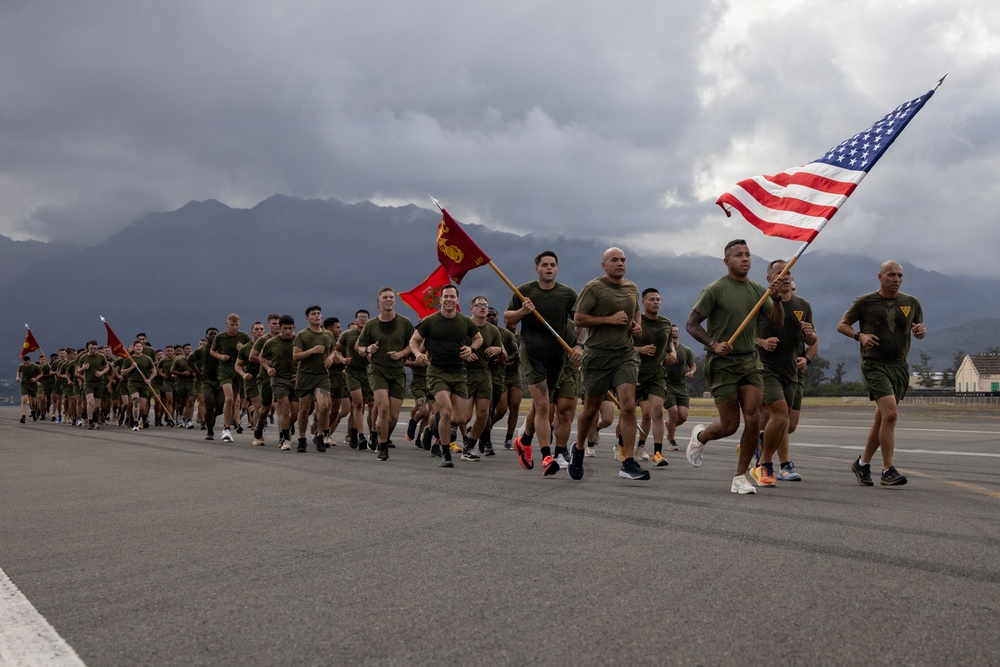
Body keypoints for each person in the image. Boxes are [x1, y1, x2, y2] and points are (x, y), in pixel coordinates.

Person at [684, 239, 784, 494]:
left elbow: (777, 323)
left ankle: (740, 477)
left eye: (748, 254)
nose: (745, 259)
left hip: (750, 362)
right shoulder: (715, 289)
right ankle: (701, 437)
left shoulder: (758, 290)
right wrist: (713, 343)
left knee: (753, 419)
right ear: (727, 261)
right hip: (722, 364)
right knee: (730, 426)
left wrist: (777, 299)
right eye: (739, 255)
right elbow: (692, 324)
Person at [837, 260, 925, 487]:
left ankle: (862, 464)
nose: (896, 279)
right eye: (891, 275)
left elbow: (919, 330)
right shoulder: (865, 302)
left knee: (882, 419)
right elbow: (842, 325)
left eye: (900, 275)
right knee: (891, 415)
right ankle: (888, 471)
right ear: (880, 277)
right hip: (874, 364)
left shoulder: (911, 302)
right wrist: (860, 336)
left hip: (899, 366)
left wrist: (920, 331)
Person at [569, 247, 648, 481]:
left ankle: (628, 460)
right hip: (597, 355)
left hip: (625, 354)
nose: (620, 263)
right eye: (614, 260)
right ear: (604, 265)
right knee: (590, 410)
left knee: (628, 404)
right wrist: (609, 320)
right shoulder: (594, 288)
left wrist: (636, 326)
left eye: (623, 260)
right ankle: (579, 449)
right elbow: (579, 318)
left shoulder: (632, 287)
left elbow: (636, 312)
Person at [504, 251, 578, 472]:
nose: (549, 268)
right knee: (544, 405)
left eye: (553, 265)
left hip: (557, 354)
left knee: (544, 405)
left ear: (557, 268)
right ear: (536, 268)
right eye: (544, 265)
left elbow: (580, 322)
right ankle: (547, 457)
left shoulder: (567, 294)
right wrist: (523, 311)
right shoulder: (525, 291)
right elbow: (508, 318)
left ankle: (525, 441)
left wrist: (579, 345)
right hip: (532, 351)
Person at [753, 259, 817, 485]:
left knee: (785, 423)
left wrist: (809, 336)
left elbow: (812, 339)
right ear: (770, 279)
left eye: (789, 272)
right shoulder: (760, 303)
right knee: (779, 416)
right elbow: (743, 334)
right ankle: (765, 466)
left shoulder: (803, 305)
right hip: (765, 368)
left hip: (791, 371)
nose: (786, 276)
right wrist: (761, 342)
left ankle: (770, 455)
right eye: (780, 273)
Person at [409, 284, 483, 469]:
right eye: (445, 297)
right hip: (437, 371)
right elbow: (413, 340)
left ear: (457, 300)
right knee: (447, 411)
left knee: (461, 418)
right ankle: (446, 454)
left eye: (452, 297)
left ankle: (432, 429)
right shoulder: (429, 321)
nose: (449, 299)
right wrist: (418, 353)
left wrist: (471, 348)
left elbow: (478, 338)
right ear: (440, 300)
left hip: (458, 371)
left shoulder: (465, 321)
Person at [358, 288, 415, 461]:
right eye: (385, 297)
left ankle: (378, 433)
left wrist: (401, 354)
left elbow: (412, 344)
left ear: (394, 302)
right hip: (377, 370)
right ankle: (382, 447)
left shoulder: (405, 323)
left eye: (391, 297)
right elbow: (359, 348)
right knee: (382, 408)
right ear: (379, 304)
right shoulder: (371, 324)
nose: (389, 299)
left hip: (397, 371)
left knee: (393, 416)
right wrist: (368, 349)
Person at [633, 288, 676, 467]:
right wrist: (640, 350)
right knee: (628, 412)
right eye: (651, 299)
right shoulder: (636, 322)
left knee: (656, 412)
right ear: (643, 303)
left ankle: (658, 452)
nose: (656, 302)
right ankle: (621, 446)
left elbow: (670, 344)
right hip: (634, 372)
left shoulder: (665, 322)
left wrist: (672, 352)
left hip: (657, 373)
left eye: (658, 299)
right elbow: (622, 346)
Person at [461, 295, 506, 461]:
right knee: (464, 417)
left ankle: (470, 447)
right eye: (479, 305)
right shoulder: (464, 325)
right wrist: (464, 355)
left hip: (484, 373)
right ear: (472, 309)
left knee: (483, 414)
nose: (483, 308)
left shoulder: (493, 330)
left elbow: (504, 354)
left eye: (485, 305)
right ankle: (438, 425)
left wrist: (497, 350)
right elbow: (452, 348)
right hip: (464, 373)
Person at [293, 305, 336, 454]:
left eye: (319, 313)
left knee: (324, 407)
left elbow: (333, 350)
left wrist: (330, 357)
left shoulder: (328, 335)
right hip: (305, 375)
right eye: (313, 314)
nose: (317, 315)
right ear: (307, 318)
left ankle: (319, 435)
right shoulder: (302, 335)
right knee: (304, 410)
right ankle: (302, 438)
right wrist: (311, 351)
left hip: (322, 376)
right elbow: (296, 355)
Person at [258, 315, 298, 450]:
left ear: (294, 328)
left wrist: (301, 373)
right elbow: (261, 357)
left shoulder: (299, 341)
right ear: (280, 328)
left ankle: (288, 425)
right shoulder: (271, 342)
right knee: (284, 408)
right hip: (278, 379)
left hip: (295, 379)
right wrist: (268, 368)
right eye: (285, 328)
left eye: (290, 328)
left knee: (296, 413)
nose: (288, 331)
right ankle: (285, 439)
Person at [210, 314, 252, 442]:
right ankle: (226, 429)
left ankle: (228, 424)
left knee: (234, 401)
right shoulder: (220, 337)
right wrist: (220, 356)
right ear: (227, 324)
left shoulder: (244, 337)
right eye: (232, 325)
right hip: (225, 370)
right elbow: (212, 351)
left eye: (237, 325)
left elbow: (251, 353)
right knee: (228, 399)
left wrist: (242, 349)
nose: (234, 327)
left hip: (238, 371)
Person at [663, 325, 696, 451]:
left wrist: (691, 372)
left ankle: (670, 426)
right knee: (673, 413)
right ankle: (671, 441)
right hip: (667, 386)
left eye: (676, 332)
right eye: (672, 332)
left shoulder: (686, 350)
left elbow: (692, 365)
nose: (674, 334)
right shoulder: (664, 350)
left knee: (683, 416)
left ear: (679, 334)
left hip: (681, 386)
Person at [121, 340, 157, 431]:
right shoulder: (129, 359)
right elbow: (122, 372)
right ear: (133, 348)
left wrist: (149, 379)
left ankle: (139, 417)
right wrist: (132, 367)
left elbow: (154, 372)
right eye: (137, 346)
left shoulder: (147, 359)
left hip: (144, 384)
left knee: (142, 406)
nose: (138, 348)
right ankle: (135, 423)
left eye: (140, 346)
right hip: (133, 383)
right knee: (135, 401)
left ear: (142, 348)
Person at [75, 340, 110, 430]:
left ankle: (95, 417)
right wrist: (83, 368)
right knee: (90, 402)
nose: (93, 350)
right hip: (88, 382)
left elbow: (107, 367)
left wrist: (101, 373)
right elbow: (78, 370)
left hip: (99, 382)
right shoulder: (83, 357)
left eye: (95, 349)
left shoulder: (101, 357)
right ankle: (90, 421)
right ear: (88, 348)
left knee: (97, 405)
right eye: (91, 348)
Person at [17, 355, 42, 423]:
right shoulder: (21, 366)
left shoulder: (35, 366)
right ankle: (23, 417)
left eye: (27, 363)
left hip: (33, 385)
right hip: (24, 384)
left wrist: (36, 379)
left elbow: (41, 374)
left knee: (33, 401)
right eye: (25, 363)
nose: (26, 364)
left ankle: (33, 411)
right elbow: (19, 371)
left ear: (29, 361)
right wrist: (18, 377)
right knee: (24, 400)